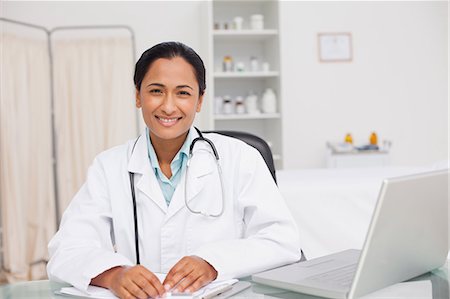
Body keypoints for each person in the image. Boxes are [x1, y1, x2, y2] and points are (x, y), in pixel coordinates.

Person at [47, 41, 301, 299]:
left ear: (200, 100)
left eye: (183, 93)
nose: (168, 107)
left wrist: (213, 263)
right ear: (138, 95)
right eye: (156, 91)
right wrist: (114, 275)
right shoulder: (109, 166)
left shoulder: (241, 158)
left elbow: (282, 240)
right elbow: (66, 250)